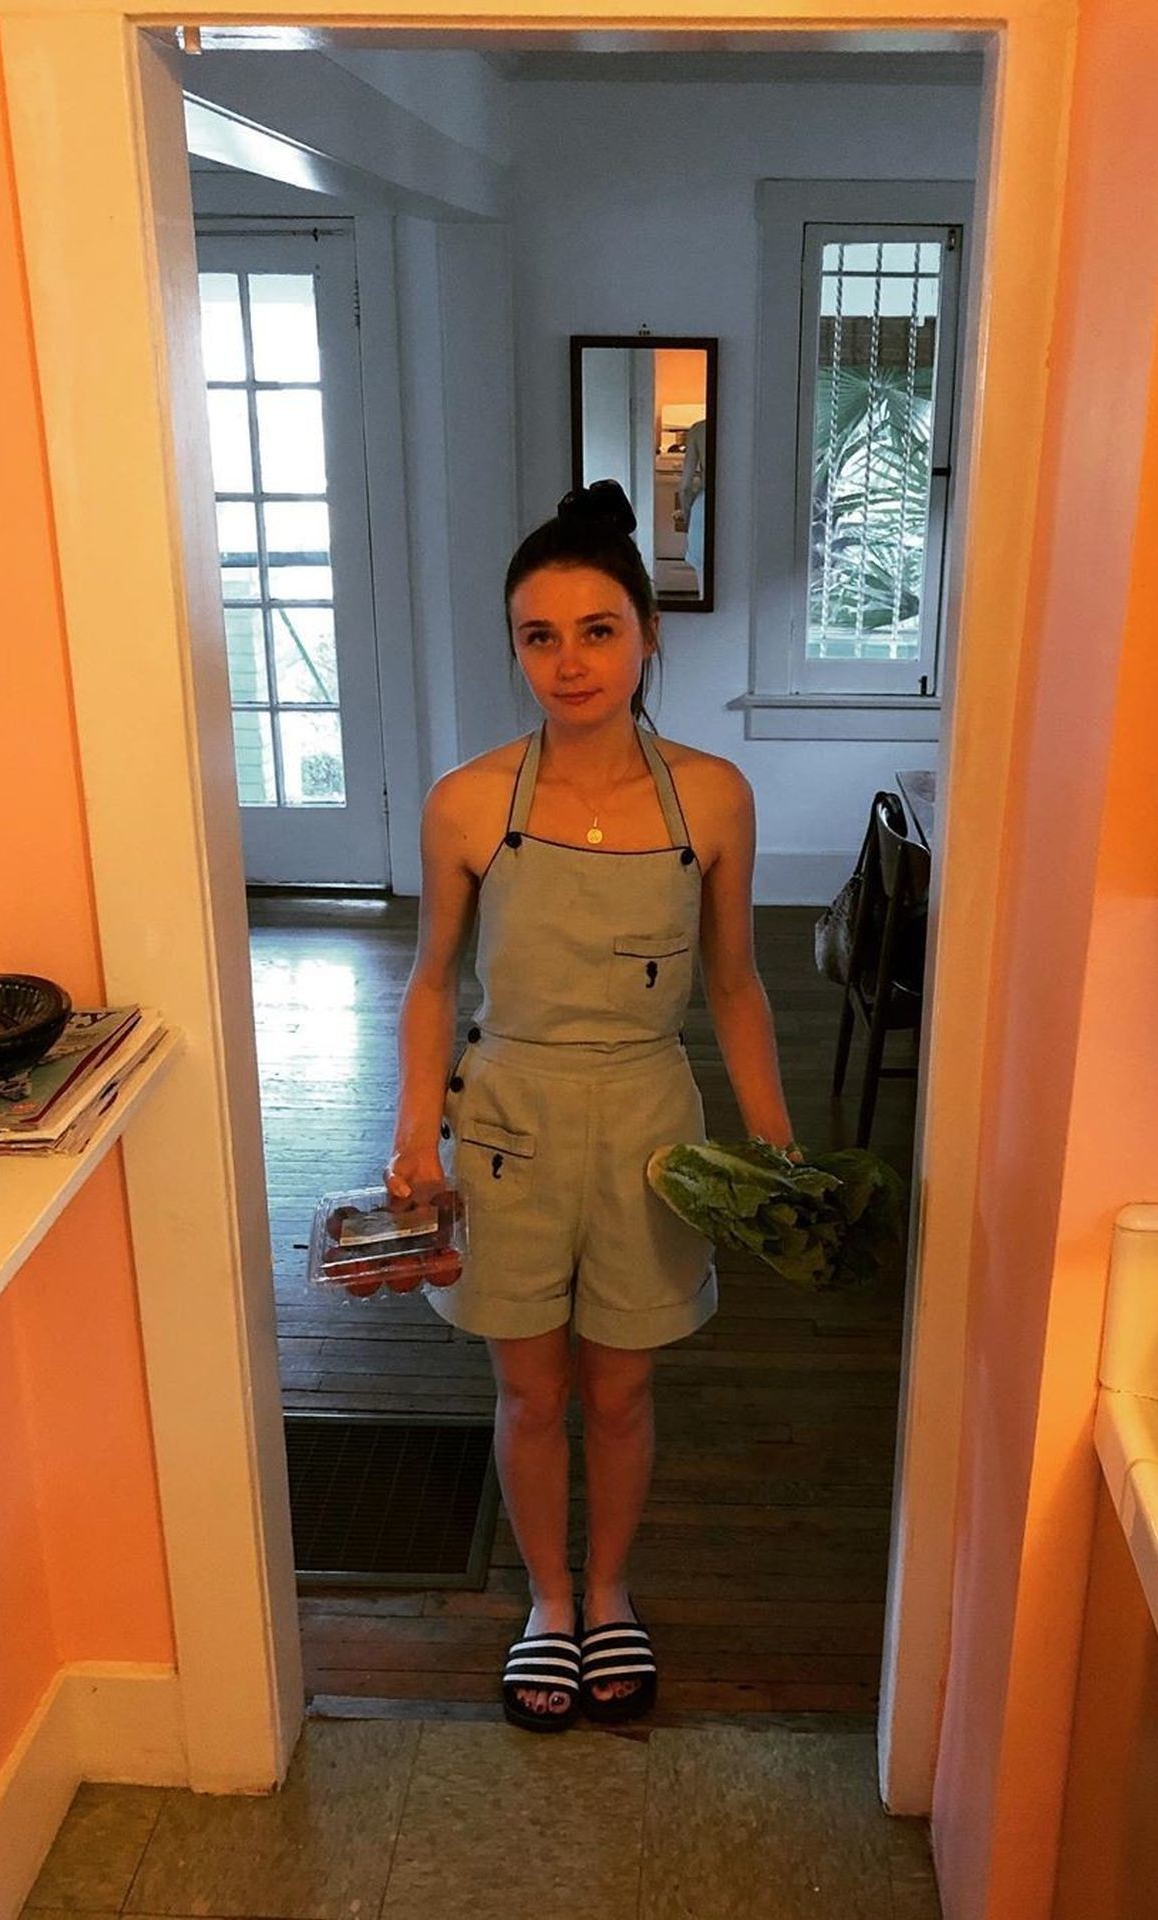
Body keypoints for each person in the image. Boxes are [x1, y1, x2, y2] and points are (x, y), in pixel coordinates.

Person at [385, 478, 798, 1734]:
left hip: (648, 1123)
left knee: (619, 1393)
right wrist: (412, 1138)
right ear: (515, 647)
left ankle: (609, 1591)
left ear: (647, 637)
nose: (569, 663)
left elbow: (735, 984)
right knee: (530, 1394)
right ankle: (547, 1603)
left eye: (598, 631)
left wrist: (775, 1147)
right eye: (540, 636)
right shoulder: (469, 802)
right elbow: (431, 978)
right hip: (505, 1119)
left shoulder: (712, 798)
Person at [677, 418, 707, 594]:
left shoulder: (698, 429)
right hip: (741, 506)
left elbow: (685, 488)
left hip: (704, 507)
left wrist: (688, 517)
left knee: (705, 591)